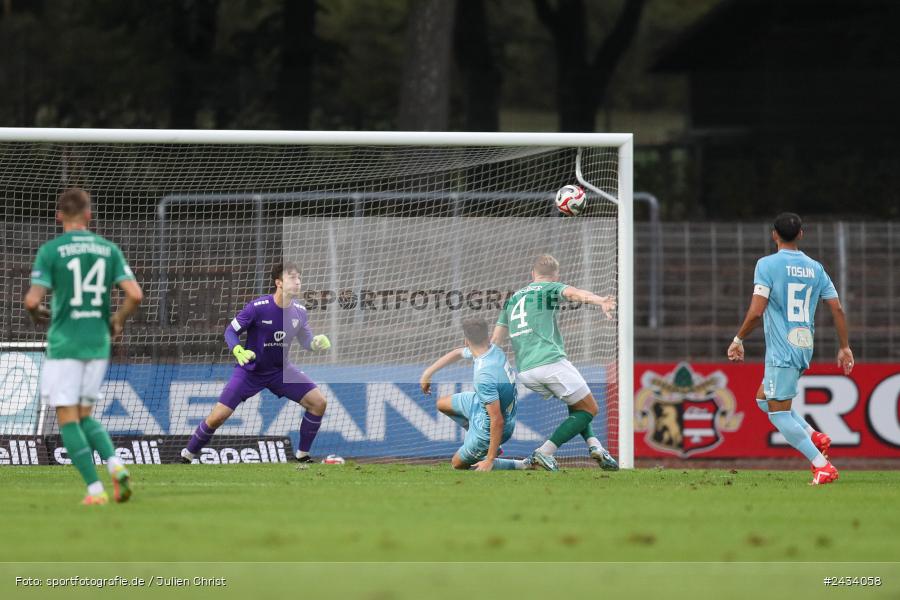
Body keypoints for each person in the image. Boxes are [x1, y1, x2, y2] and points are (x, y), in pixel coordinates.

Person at [24, 188, 143, 505]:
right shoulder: (108, 249)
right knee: (86, 415)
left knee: (67, 417)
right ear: (89, 216)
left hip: (66, 344)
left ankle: (94, 491)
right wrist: (117, 320)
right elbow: (135, 294)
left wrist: (38, 314)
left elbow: (33, 300)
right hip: (97, 342)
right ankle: (116, 465)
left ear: (59, 215)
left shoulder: (52, 251)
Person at [728, 212, 853, 485]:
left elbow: (756, 311)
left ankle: (822, 466)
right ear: (801, 234)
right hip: (804, 343)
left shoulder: (767, 265)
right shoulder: (815, 268)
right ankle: (813, 435)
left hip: (782, 349)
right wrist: (844, 347)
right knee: (763, 399)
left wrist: (738, 339)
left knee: (778, 413)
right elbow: (837, 308)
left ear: (774, 234)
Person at [180, 262, 331, 464]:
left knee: (319, 403)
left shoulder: (300, 312)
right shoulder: (258, 308)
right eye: (292, 277)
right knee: (217, 417)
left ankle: (302, 455)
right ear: (278, 282)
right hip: (250, 371)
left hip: (281, 372)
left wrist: (316, 343)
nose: (298, 282)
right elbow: (230, 331)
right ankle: (187, 455)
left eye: (299, 278)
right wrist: (238, 349)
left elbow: (306, 341)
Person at [491, 254, 618, 471]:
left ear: (533, 273)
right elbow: (576, 294)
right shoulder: (549, 288)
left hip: (525, 370)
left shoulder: (513, 299)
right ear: (555, 275)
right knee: (589, 409)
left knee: (576, 402)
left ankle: (595, 446)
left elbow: (495, 341)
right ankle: (544, 451)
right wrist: (600, 301)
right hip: (549, 361)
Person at [420, 317, 539, 471]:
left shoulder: (484, 375)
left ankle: (524, 464)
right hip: (479, 404)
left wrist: (489, 460)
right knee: (441, 404)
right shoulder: (493, 349)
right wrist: (427, 373)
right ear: (487, 336)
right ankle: (484, 444)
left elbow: (497, 420)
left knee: (457, 463)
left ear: (466, 340)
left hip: (491, 425)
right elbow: (457, 353)